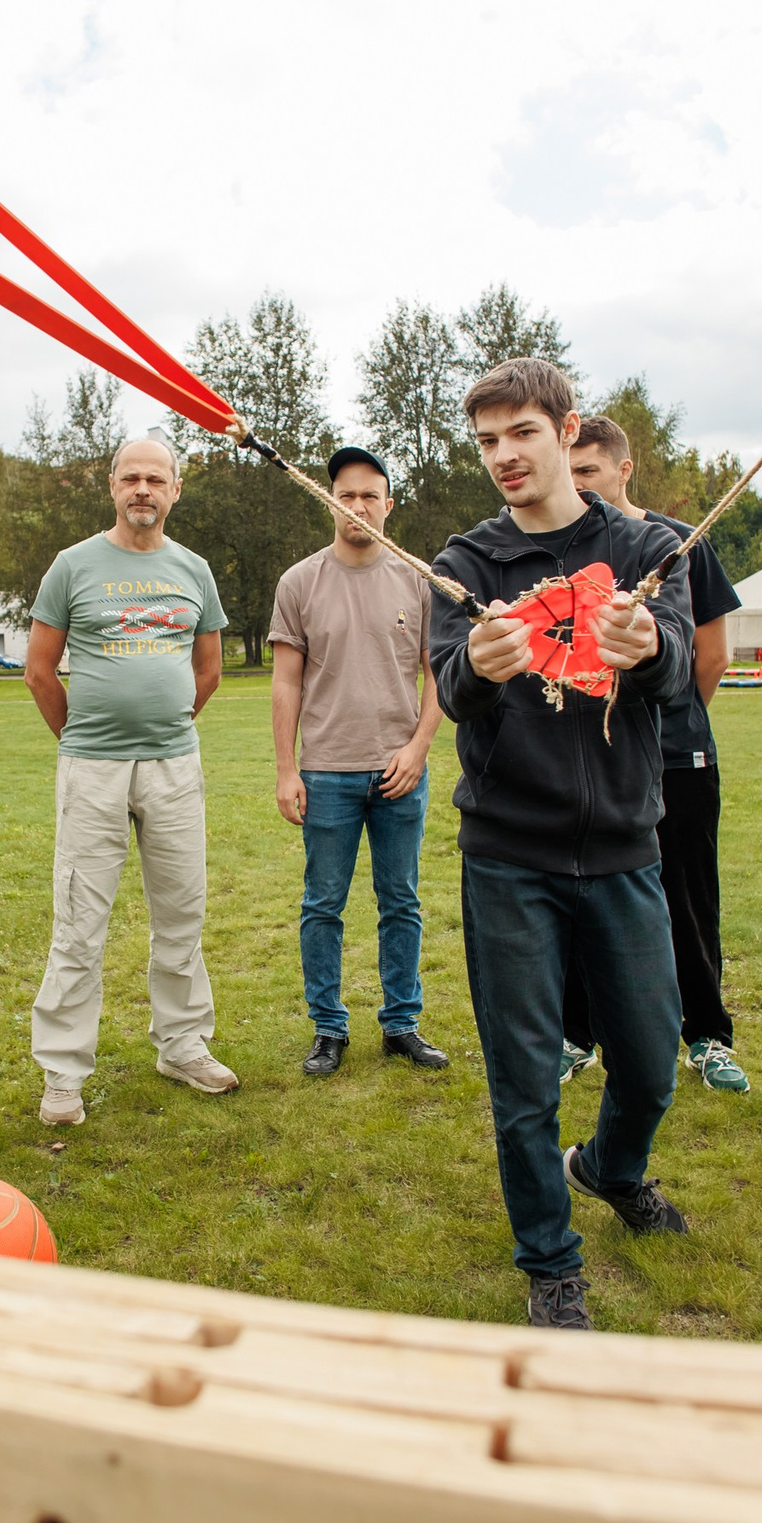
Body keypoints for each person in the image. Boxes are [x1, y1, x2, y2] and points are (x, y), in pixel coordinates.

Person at [428, 358, 696, 1331]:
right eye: (486, 441)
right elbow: (447, 684)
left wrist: (648, 647)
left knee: (650, 1063)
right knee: (524, 1078)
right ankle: (550, 1263)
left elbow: (672, 675)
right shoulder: (465, 562)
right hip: (508, 856)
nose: (503, 456)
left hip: (624, 848)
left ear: (565, 431)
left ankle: (610, 1169)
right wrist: (477, 664)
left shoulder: (645, 545)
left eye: (521, 435)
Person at [24, 428, 236, 1125]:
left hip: (173, 764)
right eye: (130, 478)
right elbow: (39, 668)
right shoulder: (72, 565)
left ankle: (181, 1043)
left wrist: (167, 721)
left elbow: (208, 669)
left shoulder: (194, 569)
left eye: (156, 478)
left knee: (182, 911)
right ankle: (62, 1072)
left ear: (175, 488)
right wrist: (84, 738)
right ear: (113, 487)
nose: (142, 489)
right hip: (92, 767)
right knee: (80, 919)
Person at [560, 420, 747, 1095]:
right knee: (581, 896)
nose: (577, 485)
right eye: (569, 471)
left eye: (588, 472)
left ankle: (706, 1036)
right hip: (590, 760)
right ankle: (576, 1034)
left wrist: (658, 721)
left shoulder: (678, 542)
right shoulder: (566, 551)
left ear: (623, 469)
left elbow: (712, 653)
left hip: (676, 755)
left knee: (687, 898)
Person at [270, 444, 449, 1077]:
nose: (358, 505)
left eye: (370, 494)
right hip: (326, 773)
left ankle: (403, 1024)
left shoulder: (418, 579)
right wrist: (287, 769)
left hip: (400, 772)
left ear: (389, 504)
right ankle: (328, 1029)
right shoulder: (300, 582)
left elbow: (437, 676)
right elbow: (286, 682)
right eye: (345, 494)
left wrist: (418, 748)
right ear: (328, 501)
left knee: (400, 901)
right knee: (324, 905)